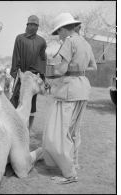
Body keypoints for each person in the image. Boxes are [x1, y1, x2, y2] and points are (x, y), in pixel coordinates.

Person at [31, 13, 97, 184]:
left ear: (63, 29)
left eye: (58, 32)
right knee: (74, 131)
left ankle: (69, 174)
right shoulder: (85, 43)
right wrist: (77, 69)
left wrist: (48, 73)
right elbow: (93, 66)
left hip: (69, 90)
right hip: (83, 88)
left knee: (59, 133)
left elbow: (60, 70)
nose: (58, 35)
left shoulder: (69, 41)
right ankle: (74, 163)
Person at [10, 15, 47, 130]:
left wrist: (41, 75)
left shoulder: (41, 41)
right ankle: (13, 127)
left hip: (33, 77)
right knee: (15, 100)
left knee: (31, 104)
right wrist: (16, 73)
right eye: (31, 24)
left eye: (36, 25)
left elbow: (42, 59)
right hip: (21, 75)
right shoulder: (20, 38)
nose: (33, 27)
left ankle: (28, 130)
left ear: (37, 26)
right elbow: (16, 55)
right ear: (27, 25)